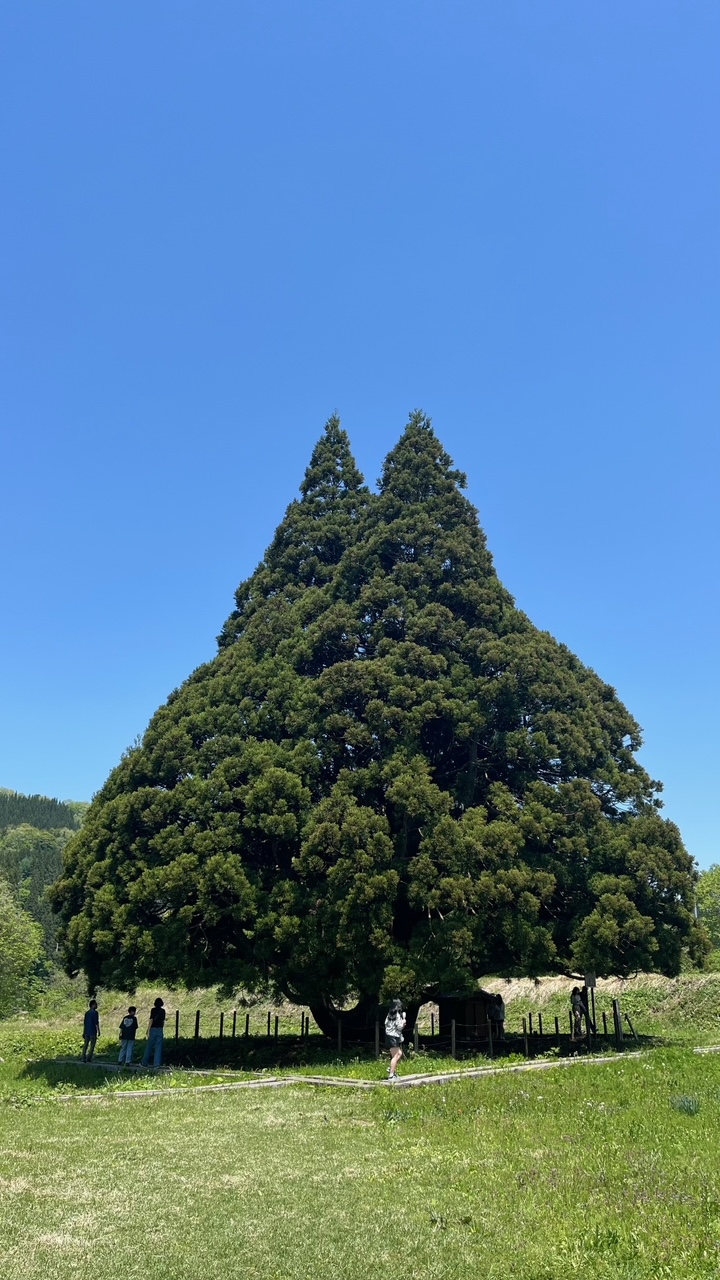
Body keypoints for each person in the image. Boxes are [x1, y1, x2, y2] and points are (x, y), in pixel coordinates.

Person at [384, 998, 406, 1081]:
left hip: (389, 1036)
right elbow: (399, 1027)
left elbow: (385, 1023)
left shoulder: (389, 1014)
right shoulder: (397, 1015)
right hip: (394, 1037)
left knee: (399, 1053)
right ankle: (391, 1075)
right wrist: (403, 1022)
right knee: (395, 1056)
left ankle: (391, 1069)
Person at [141, 997, 166, 1068]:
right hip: (160, 1029)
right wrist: (161, 1028)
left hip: (153, 1029)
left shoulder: (153, 1010)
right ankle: (156, 1064)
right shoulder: (163, 1011)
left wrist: (148, 1030)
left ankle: (144, 1063)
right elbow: (163, 1021)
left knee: (149, 1046)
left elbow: (151, 1020)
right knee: (158, 1047)